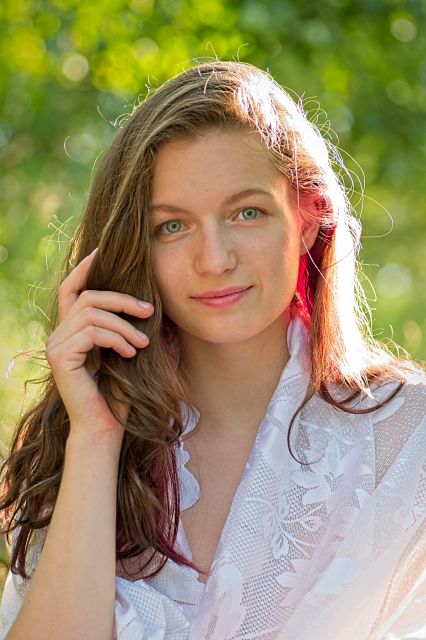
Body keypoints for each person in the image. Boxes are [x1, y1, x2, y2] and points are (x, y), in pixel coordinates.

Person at [0, 60, 425, 640]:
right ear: (134, 246)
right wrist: (97, 438)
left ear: (306, 219)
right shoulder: (82, 442)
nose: (215, 260)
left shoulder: (409, 442)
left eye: (247, 213)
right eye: (172, 226)